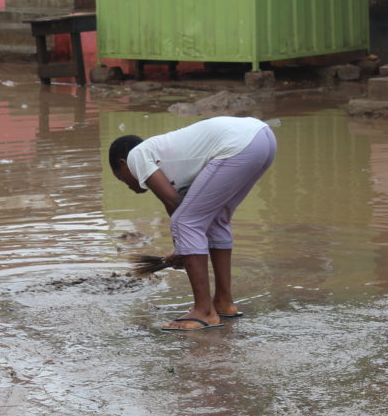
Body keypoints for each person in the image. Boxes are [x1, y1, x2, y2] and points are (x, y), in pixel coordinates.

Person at [109, 116, 276, 332]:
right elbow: (190, 209)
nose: (129, 187)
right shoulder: (170, 159)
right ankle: (224, 302)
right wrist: (183, 249)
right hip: (263, 138)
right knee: (217, 219)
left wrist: (184, 247)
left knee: (186, 221)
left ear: (123, 164)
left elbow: (175, 205)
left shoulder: (136, 155)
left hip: (239, 143)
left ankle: (204, 311)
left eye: (122, 179)